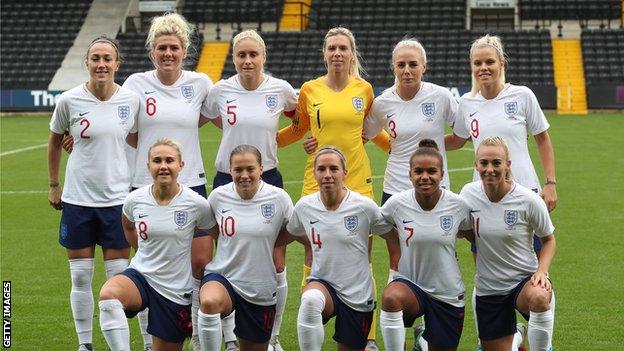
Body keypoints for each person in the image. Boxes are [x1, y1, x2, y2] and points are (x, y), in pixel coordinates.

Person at [276, 26, 387, 350]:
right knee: (312, 251)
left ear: (351, 53)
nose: (337, 53)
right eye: (332, 48)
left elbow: (373, 131)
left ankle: (367, 336)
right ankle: (312, 322)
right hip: (318, 178)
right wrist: (271, 140)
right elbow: (299, 128)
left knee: (362, 257)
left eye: (343, 48)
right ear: (324, 54)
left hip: (357, 179)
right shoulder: (309, 90)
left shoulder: (364, 89)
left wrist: (398, 148)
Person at [448, 34, 557, 350]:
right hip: (482, 198)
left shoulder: (522, 96)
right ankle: (501, 336)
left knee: (536, 274)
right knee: (486, 267)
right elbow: (456, 140)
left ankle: (541, 339)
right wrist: (409, 143)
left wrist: (550, 183)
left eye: (489, 62)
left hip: (525, 194)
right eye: (478, 63)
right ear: (472, 67)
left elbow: (542, 139)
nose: (483, 68)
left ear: (501, 64)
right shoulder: (467, 104)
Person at [121, 13, 218, 350]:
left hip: (191, 183)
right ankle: (150, 341)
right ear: (152, 52)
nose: (167, 53)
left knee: (200, 263)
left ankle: (192, 332)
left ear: (184, 50)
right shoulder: (135, 83)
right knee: (149, 266)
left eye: (174, 47)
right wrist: (155, 162)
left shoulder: (200, 83)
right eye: (161, 47)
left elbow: (213, 119)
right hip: (145, 186)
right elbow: (129, 133)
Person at [202, 30, 298, 350]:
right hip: (226, 178)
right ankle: (230, 336)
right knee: (226, 256)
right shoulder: (220, 90)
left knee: (276, 259)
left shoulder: (280, 90)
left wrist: (279, 141)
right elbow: (207, 118)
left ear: (263, 57)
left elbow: (301, 119)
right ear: (234, 58)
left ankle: (272, 336)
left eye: (253, 55)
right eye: (241, 55)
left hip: (268, 176)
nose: (247, 61)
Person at [47, 35, 140, 351]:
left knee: (118, 281)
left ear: (117, 64)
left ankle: (126, 345)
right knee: (81, 278)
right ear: (87, 63)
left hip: (117, 203)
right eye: (95, 58)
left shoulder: (131, 101)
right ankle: (84, 344)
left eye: (107, 58)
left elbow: (138, 141)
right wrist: (54, 184)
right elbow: (55, 141)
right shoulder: (69, 100)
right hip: (78, 202)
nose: (101, 64)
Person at [363, 38, 461, 305]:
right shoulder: (383, 103)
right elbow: (363, 135)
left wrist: (436, 149)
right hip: (396, 189)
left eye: (413, 64)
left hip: (436, 190)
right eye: (401, 65)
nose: (407, 70)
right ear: (393, 67)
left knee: (439, 254)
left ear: (424, 67)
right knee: (398, 256)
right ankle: (398, 319)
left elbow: (462, 134)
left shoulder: (441, 97)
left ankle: (431, 323)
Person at [98, 138, 214, 351]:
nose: (163, 166)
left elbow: (215, 233)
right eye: (157, 160)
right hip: (141, 276)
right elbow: (128, 225)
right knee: (109, 297)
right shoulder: (134, 199)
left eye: (169, 160)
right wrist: (141, 250)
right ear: (148, 165)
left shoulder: (196, 203)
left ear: (181, 165)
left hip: (175, 290)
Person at [283, 147, 393, 351]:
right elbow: (289, 233)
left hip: (358, 294)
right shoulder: (305, 207)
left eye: (333, 169)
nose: (327, 175)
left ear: (345, 172)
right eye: (321, 169)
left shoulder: (364, 207)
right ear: (314, 173)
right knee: (310, 301)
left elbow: (393, 236)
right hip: (323, 284)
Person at [460, 136, 556, 351]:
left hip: (524, 281)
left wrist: (542, 271)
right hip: (489, 287)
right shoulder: (468, 194)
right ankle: (517, 338)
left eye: (496, 163)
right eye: (484, 163)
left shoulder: (528, 200)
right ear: (476, 165)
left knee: (540, 298)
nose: (490, 169)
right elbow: (466, 230)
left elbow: (548, 240)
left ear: (508, 165)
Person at [195, 145, 294, 351]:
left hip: (260, 286)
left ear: (261, 169)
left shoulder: (279, 198)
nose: (244, 175)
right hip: (223, 276)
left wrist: (268, 241)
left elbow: (294, 230)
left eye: (250, 169)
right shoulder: (218, 196)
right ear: (230, 170)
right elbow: (213, 230)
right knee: (210, 303)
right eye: (238, 170)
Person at [378, 139, 470, 351]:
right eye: (418, 171)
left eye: (432, 171)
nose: (425, 177)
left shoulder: (459, 205)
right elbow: (376, 224)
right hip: (411, 286)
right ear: (409, 174)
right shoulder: (396, 203)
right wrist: (395, 238)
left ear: (442, 174)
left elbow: (472, 232)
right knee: (391, 297)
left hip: (447, 292)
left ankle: (423, 340)